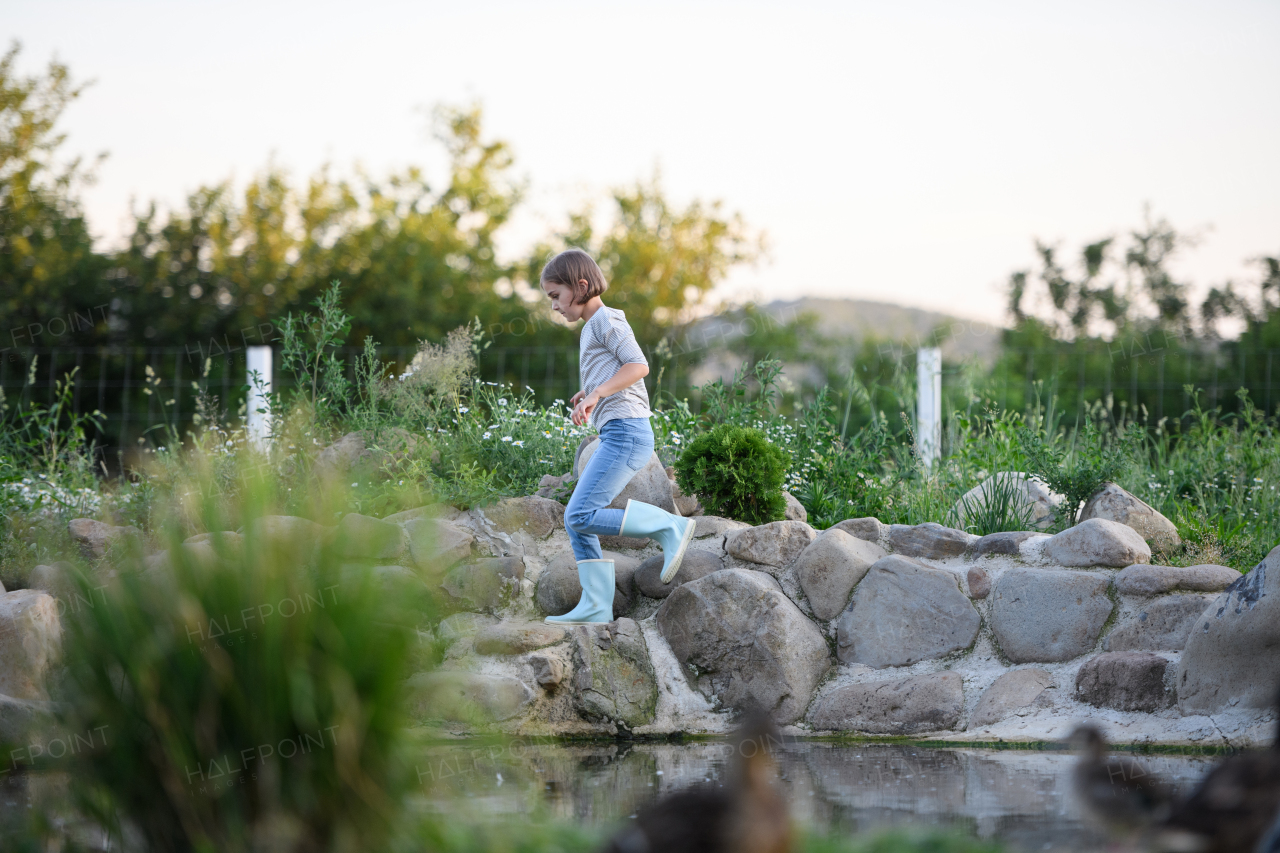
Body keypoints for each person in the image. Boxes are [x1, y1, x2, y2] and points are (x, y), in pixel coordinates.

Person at [539, 248, 695, 626]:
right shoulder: (594, 326)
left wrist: (597, 394)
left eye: (555, 296)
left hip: (627, 433)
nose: (555, 307)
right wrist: (589, 390)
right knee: (578, 519)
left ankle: (668, 526)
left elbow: (638, 365)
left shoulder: (606, 319)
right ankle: (595, 605)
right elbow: (613, 370)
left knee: (579, 513)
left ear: (580, 285)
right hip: (618, 430)